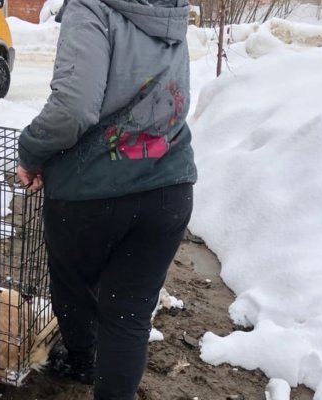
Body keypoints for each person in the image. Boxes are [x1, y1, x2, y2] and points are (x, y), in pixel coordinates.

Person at [17, 0, 197, 398]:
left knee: (73, 281)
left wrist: (30, 152)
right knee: (128, 312)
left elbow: (72, 110)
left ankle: (81, 358)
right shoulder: (171, 10)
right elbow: (174, 97)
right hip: (168, 189)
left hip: (91, 192)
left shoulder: (92, 8)